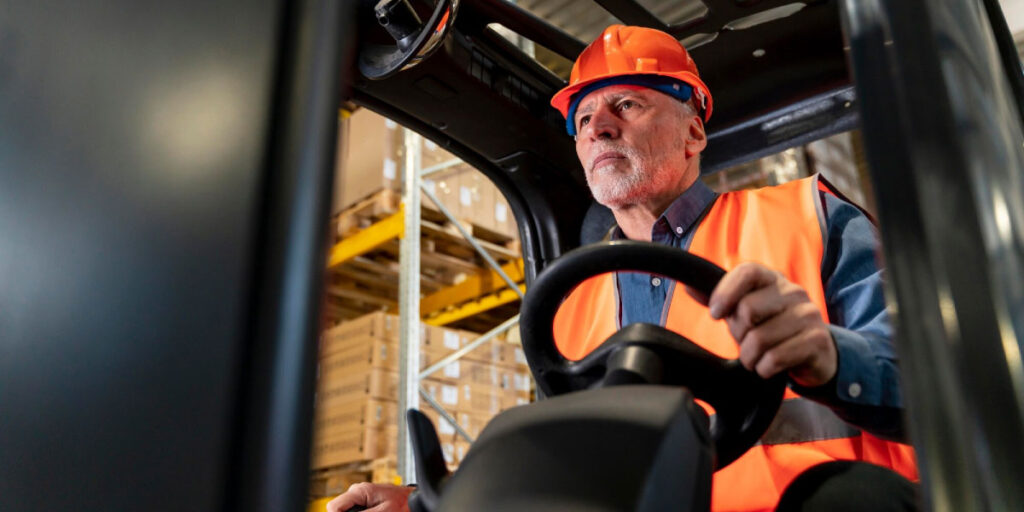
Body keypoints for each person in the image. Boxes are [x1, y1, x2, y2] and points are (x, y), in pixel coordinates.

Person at [328, 24, 919, 512]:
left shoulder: (811, 218)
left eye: (626, 105)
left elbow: (936, 386)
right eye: (583, 121)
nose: (598, 126)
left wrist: (833, 358)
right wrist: (426, 501)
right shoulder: (571, 302)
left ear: (693, 133)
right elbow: (562, 463)